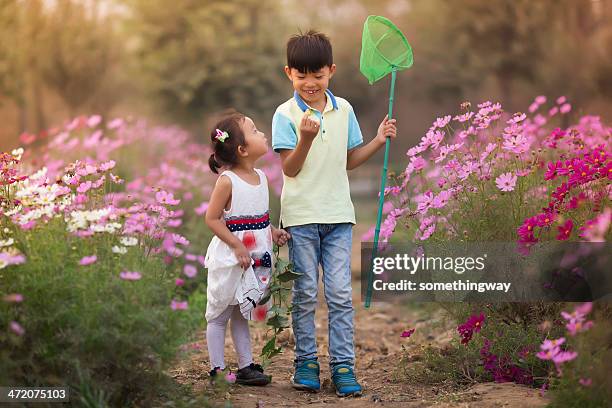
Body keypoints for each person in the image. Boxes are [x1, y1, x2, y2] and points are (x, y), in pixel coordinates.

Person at [271, 30, 397, 397]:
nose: (310, 83)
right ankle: (306, 363)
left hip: (339, 216)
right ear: (288, 73)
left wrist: (377, 140)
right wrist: (306, 138)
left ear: (331, 71)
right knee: (306, 292)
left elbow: (348, 161)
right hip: (301, 218)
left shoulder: (345, 110)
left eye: (318, 75)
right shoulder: (286, 114)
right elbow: (290, 169)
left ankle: (343, 367)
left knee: (341, 294)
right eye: (301, 75)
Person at [204, 112, 291, 386]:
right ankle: (217, 370)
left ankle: (246, 366)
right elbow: (212, 218)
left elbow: (258, 218)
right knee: (219, 314)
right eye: (255, 131)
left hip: (254, 258)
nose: (263, 134)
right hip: (231, 258)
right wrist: (236, 245)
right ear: (242, 149)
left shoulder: (262, 177)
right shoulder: (227, 180)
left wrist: (272, 231)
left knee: (243, 311)